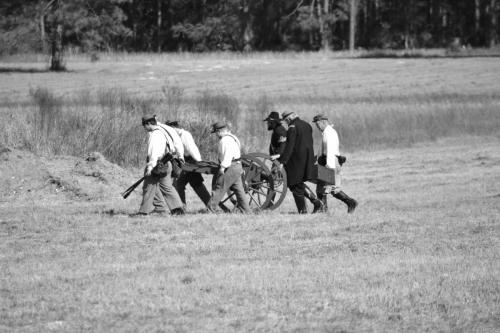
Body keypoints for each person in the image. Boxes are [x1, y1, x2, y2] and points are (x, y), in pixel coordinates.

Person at [264, 111, 323, 212]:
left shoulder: (292, 128)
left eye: (286, 120)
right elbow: (308, 144)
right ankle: (316, 203)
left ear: (289, 118)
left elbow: (289, 146)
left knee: (294, 184)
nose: (286, 122)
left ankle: (304, 210)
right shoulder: (307, 125)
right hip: (306, 159)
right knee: (297, 184)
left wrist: (282, 161)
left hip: (295, 161)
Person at [132, 114, 185, 216]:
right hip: (167, 163)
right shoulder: (165, 130)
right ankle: (178, 210)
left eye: (144, 126)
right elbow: (177, 144)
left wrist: (150, 167)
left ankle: (143, 212)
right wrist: (180, 156)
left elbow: (154, 153)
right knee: (167, 187)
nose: (144, 128)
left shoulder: (155, 135)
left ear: (148, 124)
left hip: (158, 164)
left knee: (148, 187)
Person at [312, 114, 358, 213]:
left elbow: (331, 151)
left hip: (330, 163)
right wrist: (316, 158)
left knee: (333, 189)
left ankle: (351, 202)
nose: (317, 127)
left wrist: (329, 167)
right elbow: (323, 150)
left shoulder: (330, 133)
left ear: (323, 122)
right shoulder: (326, 132)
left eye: (317, 124)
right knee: (321, 188)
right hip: (325, 162)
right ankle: (323, 209)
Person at [166, 120, 211, 209]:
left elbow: (192, 149)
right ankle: (211, 206)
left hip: (190, 163)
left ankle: (181, 207)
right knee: (196, 185)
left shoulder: (184, 135)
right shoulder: (177, 136)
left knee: (180, 184)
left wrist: (199, 162)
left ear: (173, 128)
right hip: (186, 162)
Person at [207, 122, 251, 213]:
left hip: (230, 167)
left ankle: (211, 209)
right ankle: (247, 211)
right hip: (237, 166)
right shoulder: (233, 137)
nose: (216, 135)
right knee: (239, 190)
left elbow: (228, 156)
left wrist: (222, 168)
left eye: (216, 133)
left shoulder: (224, 140)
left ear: (219, 132)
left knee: (219, 187)